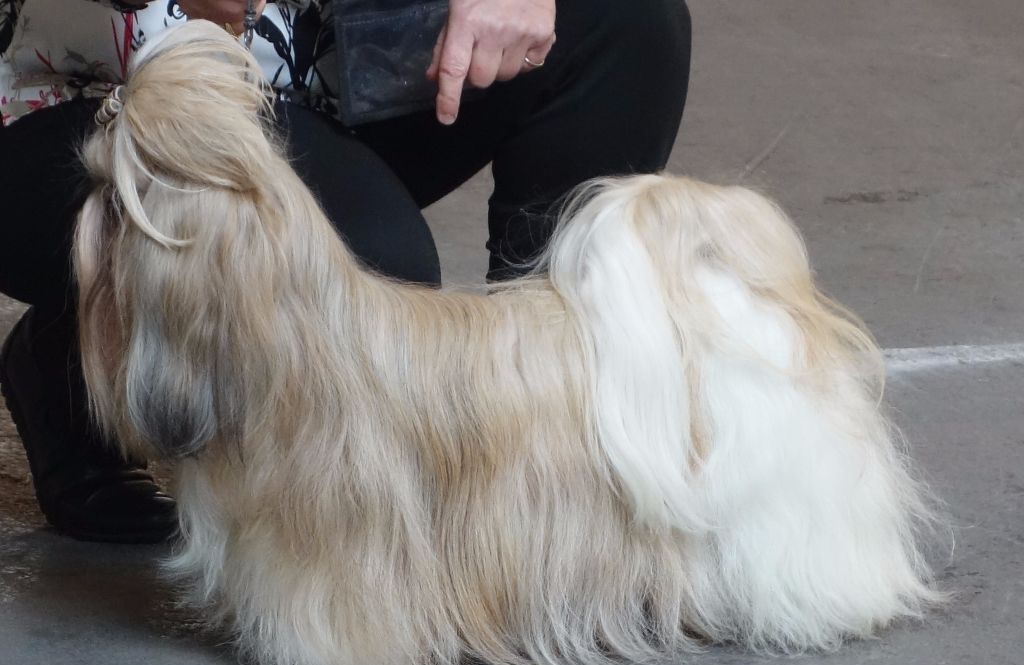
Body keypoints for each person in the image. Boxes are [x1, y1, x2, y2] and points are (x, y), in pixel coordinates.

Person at [0, 0, 691, 542]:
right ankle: (82, 344)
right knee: (370, 287)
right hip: (88, 93)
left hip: (335, 65)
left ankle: (541, 425)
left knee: (625, 23)